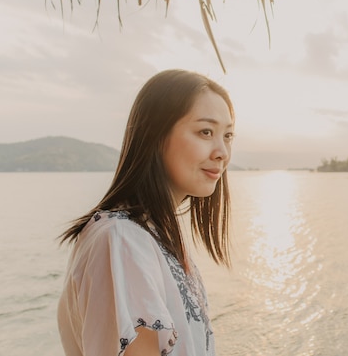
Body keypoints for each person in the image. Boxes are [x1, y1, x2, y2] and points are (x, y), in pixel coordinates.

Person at [57, 69, 235, 356]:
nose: (222, 151)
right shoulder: (122, 239)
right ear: (155, 135)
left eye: (228, 135)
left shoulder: (153, 236)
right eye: (205, 132)